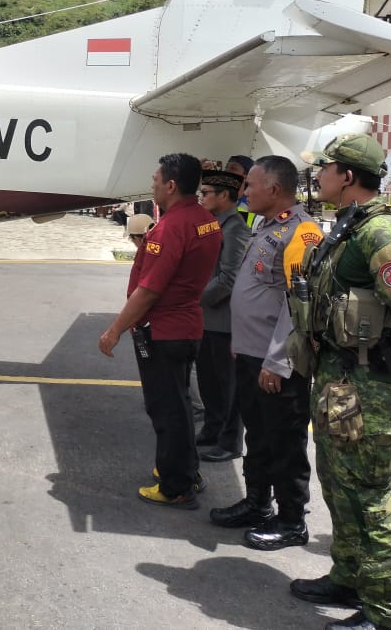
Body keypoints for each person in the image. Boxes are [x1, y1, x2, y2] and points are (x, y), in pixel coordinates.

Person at [289, 133, 391, 630]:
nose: (319, 176)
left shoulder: (382, 235)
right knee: (337, 485)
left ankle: (386, 615)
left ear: (348, 176)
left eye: (326, 168)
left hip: (369, 387)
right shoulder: (351, 226)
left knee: (370, 499)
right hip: (340, 380)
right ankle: (348, 577)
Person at [99, 153, 222, 508]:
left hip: (164, 331)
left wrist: (114, 330)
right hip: (186, 328)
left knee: (166, 409)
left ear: (170, 185)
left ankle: (175, 485)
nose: (151, 185)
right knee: (180, 405)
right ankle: (185, 469)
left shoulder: (170, 228)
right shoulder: (205, 220)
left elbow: (149, 289)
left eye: (155, 180)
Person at [211, 156, 321, 550]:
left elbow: (298, 306)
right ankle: (258, 503)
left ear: (274, 190)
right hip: (252, 356)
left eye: (250, 186)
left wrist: (277, 361)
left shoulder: (301, 233)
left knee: (284, 443)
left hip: (276, 363)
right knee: (258, 436)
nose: (245, 192)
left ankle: (292, 520)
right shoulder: (267, 226)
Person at [195, 170, 250, 463]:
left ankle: (229, 442)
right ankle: (212, 429)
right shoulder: (213, 224)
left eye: (207, 193)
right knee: (208, 382)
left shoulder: (236, 228)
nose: (202, 197)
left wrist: (194, 298)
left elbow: (229, 278)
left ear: (224, 196)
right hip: (207, 319)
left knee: (227, 387)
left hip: (223, 321)